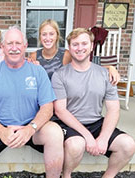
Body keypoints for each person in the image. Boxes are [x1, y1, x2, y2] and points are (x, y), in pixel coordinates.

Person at [0, 26, 64, 178]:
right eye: (10, 44)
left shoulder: (38, 71)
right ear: (2, 47)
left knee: (55, 132)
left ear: (25, 46)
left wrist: (31, 128)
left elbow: (47, 107)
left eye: (18, 43)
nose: (14, 48)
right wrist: (1, 131)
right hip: (0, 127)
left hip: (31, 127)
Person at [52, 28, 135, 178]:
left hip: (96, 122)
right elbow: (60, 111)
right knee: (76, 145)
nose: (80, 48)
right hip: (69, 124)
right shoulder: (60, 75)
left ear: (91, 46)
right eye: (75, 44)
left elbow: (113, 110)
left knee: (128, 145)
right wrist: (88, 137)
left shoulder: (105, 74)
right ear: (69, 48)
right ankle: (66, 175)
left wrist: (103, 138)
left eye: (84, 43)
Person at [30, 19, 120, 84]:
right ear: (40, 37)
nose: (48, 38)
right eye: (44, 34)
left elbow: (87, 66)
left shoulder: (66, 55)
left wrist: (109, 67)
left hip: (62, 97)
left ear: (57, 36)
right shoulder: (34, 56)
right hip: (42, 99)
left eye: (51, 34)